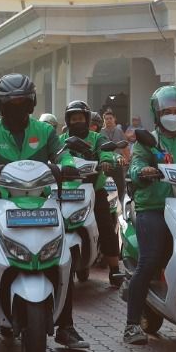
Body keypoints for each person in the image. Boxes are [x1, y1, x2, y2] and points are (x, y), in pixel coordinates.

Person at [0, 74, 87, 352]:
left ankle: (66, 326)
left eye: (23, 102)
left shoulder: (45, 132)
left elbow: (62, 154)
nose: (17, 107)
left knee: (64, 258)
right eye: (11, 103)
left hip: (40, 206)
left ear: (31, 102)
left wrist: (69, 165)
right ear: (1, 105)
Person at [123, 85, 176, 345]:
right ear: (157, 115)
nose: (173, 115)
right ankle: (131, 325)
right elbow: (136, 166)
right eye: (167, 111)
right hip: (154, 207)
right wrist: (143, 171)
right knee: (149, 260)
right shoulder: (148, 142)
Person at [64, 99, 123, 285]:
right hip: (67, 193)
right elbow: (54, 155)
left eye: (80, 118)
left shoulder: (96, 138)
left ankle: (114, 269)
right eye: (73, 119)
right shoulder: (61, 139)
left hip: (94, 190)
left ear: (87, 119)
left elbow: (106, 152)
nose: (77, 122)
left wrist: (105, 161)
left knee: (106, 226)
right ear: (68, 121)